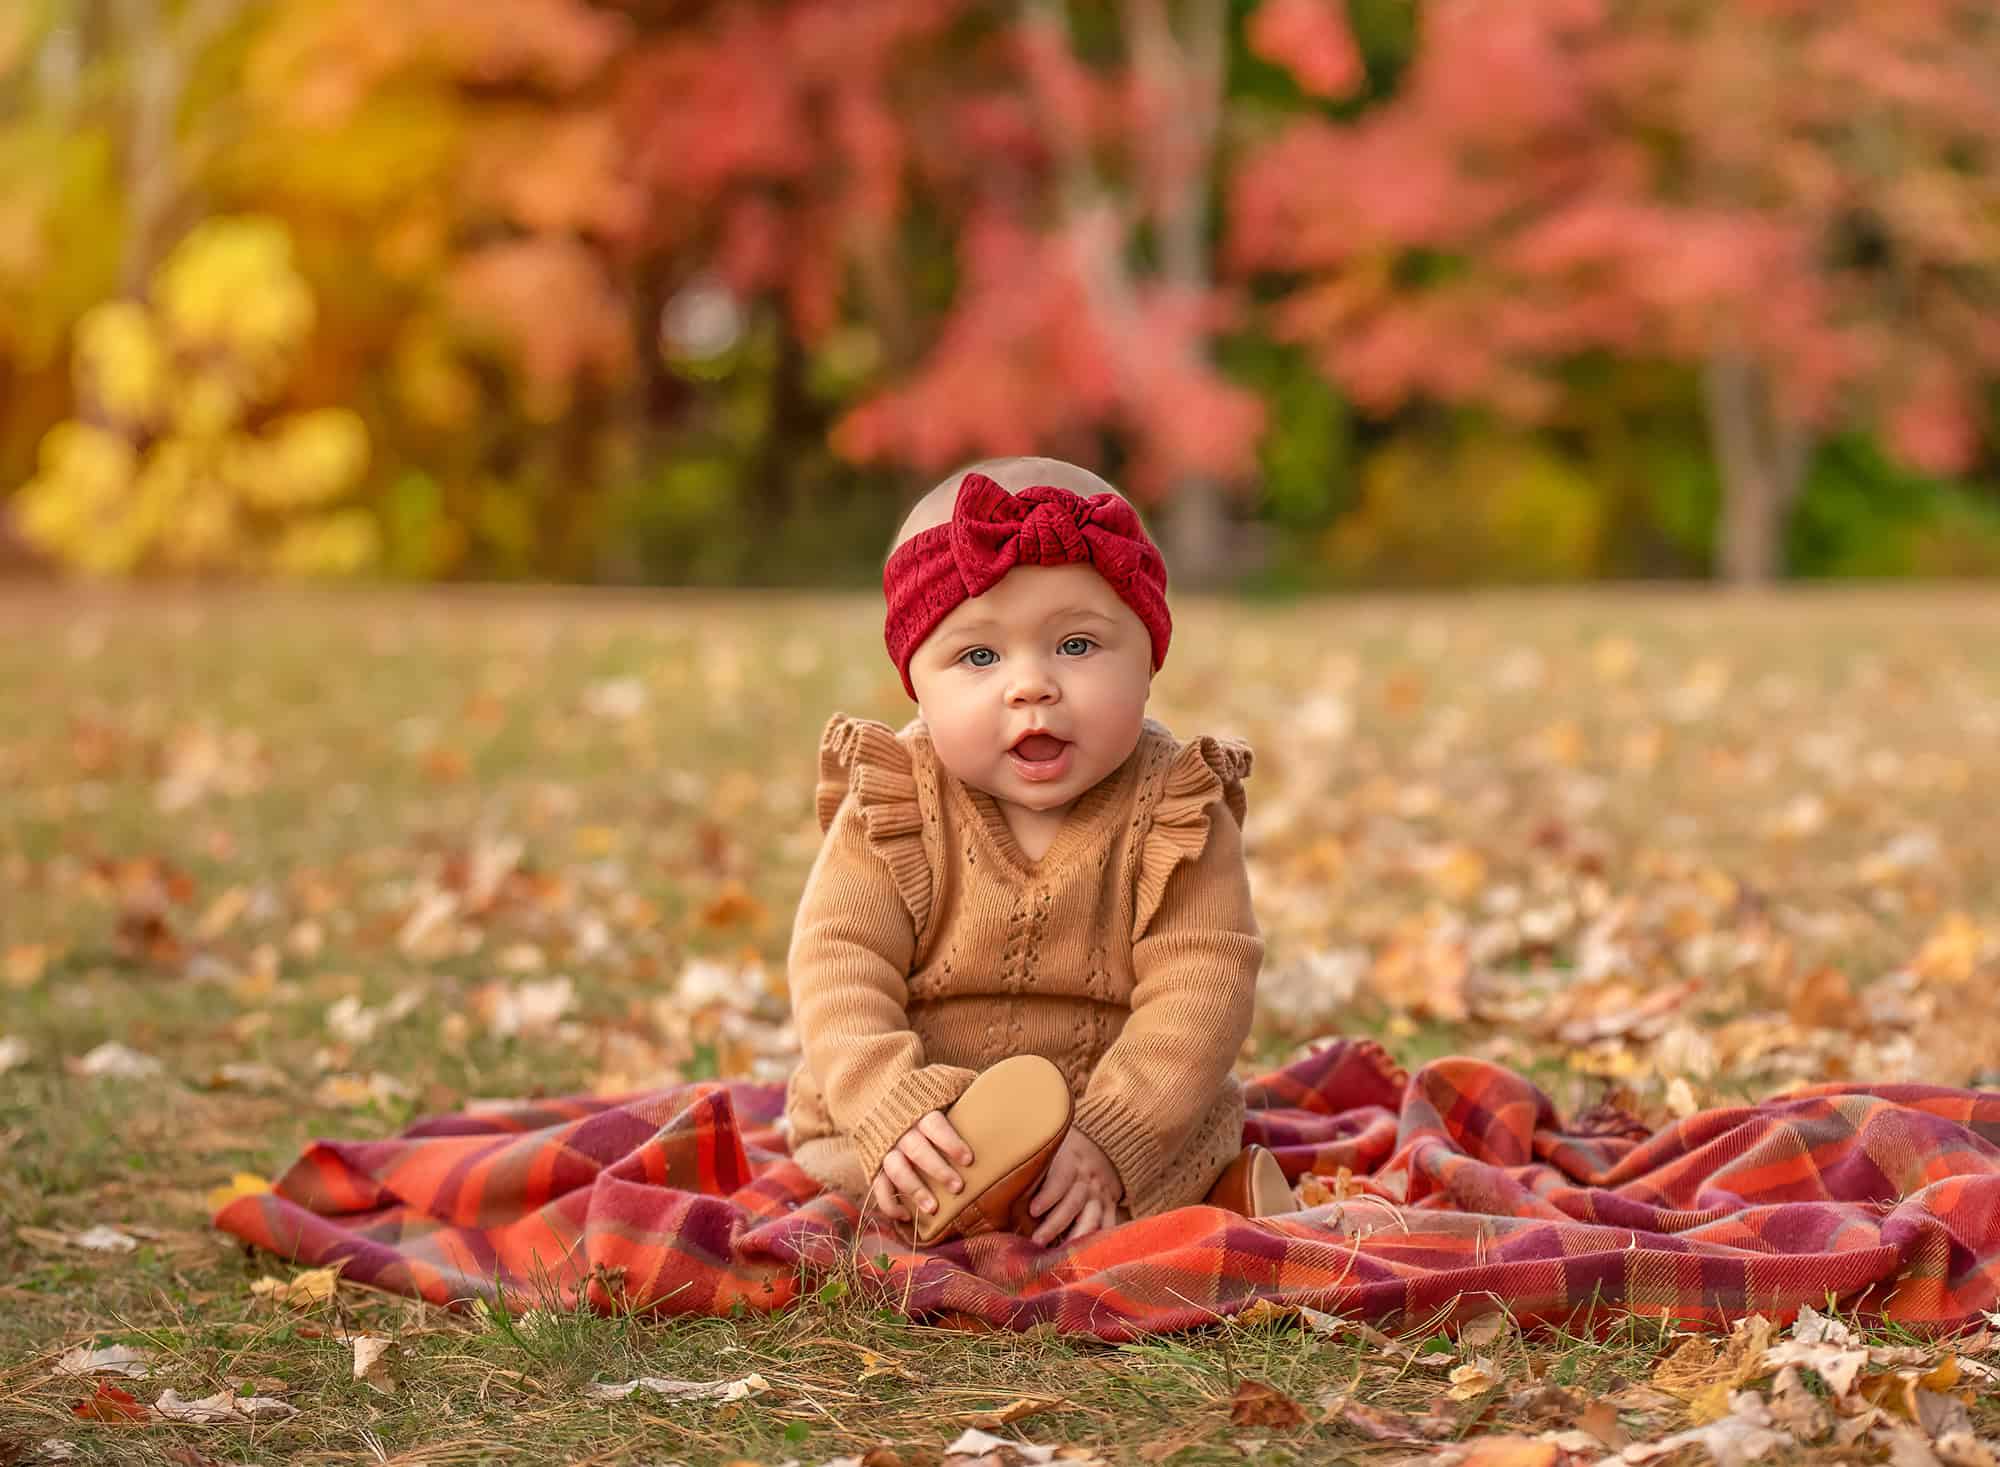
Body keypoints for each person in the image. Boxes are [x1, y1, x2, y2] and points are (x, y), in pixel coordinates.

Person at [783, 456, 1298, 1248]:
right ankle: (979, 1210)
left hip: (1114, 1119)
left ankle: (1210, 1203)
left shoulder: (1176, 807)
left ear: (1150, 660)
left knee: (1163, 1168)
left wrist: (1112, 1136)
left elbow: (1203, 984)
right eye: (980, 657)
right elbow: (838, 962)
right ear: (916, 681)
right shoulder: (894, 800)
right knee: (868, 1182)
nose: (1032, 685)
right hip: (928, 1115)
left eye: (1079, 644)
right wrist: (891, 1105)